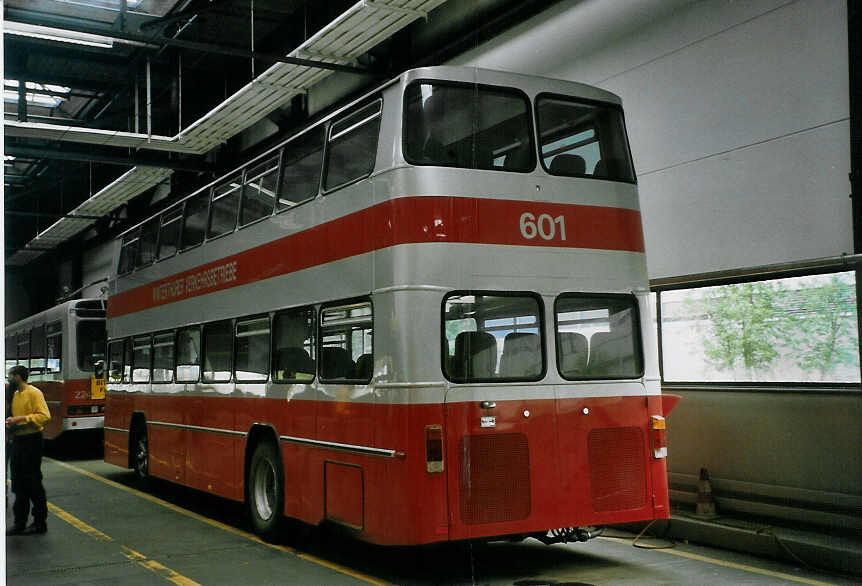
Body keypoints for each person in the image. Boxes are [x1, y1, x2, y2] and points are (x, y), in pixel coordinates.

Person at [6, 365, 50, 535]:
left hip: (32, 441)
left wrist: (22, 419)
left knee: (32, 482)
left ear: (19, 376)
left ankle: (39, 522)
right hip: (18, 440)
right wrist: (12, 423)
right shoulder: (15, 394)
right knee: (17, 483)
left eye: (11, 375)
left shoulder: (34, 393)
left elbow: (44, 416)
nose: (9, 378)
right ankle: (20, 522)